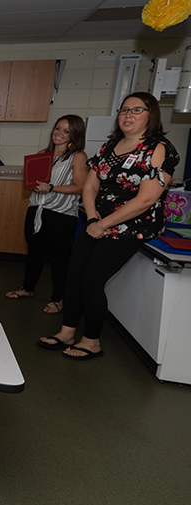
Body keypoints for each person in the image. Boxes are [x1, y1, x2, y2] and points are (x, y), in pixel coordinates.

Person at [38, 92, 179, 360]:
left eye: (137, 110)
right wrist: (92, 219)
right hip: (97, 221)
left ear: (152, 116)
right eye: (124, 110)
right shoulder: (109, 147)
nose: (128, 115)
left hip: (132, 224)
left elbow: (147, 198)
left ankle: (91, 341)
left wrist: (103, 224)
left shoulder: (158, 147)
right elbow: (91, 185)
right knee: (73, 273)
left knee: (91, 279)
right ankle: (67, 332)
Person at [6, 115, 88, 314]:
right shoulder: (43, 154)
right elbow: (34, 181)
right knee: (34, 251)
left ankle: (58, 298)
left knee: (59, 258)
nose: (59, 133)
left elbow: (80, 187)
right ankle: (27, 288)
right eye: (57, 128)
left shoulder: (78, 156)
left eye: (66, 131)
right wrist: (33, 184)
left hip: (61, 213)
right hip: (37, 209)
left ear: (74, 135)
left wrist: (51, 188)